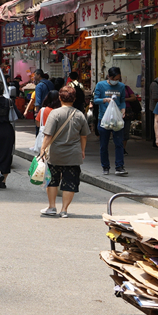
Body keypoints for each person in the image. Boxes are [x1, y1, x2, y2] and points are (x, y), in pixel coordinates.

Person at [38, 86, 88, 218]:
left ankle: (52, 207)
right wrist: (82, 150)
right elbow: (83, 136)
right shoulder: (79, 115)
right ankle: (64, 210)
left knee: (52, 180)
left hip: (55, 154)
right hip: (73, 154)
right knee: (70, 182)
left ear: (60, 98)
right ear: (74, 99)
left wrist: (42, 149)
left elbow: (48, 135)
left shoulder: (55, 113)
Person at [92, 67, 128, 176]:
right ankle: (105, 166)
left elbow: (122, 101)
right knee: (104, 144)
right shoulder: (100, 85)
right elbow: (95, 100)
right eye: (115, 78)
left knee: (119, 143)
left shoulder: (121, 86)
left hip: (117, 119)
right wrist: (105, 100)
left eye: (118, 78)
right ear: (109, 77)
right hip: (104, 119)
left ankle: (119, 166)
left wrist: (123, 109)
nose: (116, 81)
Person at [24, 70, 53, 135]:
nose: (34, 77)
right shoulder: (50, 83)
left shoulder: (39, 86)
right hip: (52, 109)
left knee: (40, 130)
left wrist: (36, 113)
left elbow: (38, 101)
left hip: (42, 111)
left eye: (35, 75)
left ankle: (40, 144)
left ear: (39, 75)